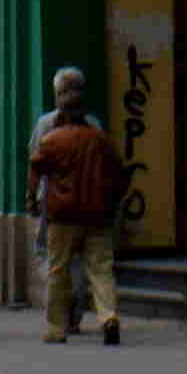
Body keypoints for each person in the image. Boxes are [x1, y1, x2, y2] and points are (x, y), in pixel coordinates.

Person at [26, 69, 126, 346]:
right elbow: (118, 172)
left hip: (62, 213)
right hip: (97, 213)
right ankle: (108, 317)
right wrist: (113, 201)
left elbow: (35, 166)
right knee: (101, 268)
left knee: (57, 270)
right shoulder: (98, 136)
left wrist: (31, 198)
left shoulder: (51, 137)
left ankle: (57, 327)